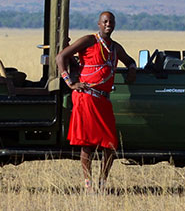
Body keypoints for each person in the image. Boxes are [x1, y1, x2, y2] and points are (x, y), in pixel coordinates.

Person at [55, 11, 137, 193]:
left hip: (103, 100)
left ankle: (102, 182)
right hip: (86, 97)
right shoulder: (89, 40)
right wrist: (70, 82)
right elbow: (60, 57)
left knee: (110, 145)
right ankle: (88, 184)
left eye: (111, 22)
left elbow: (130, 60)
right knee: (88, 144)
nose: (108, 24)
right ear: (99, 24)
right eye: (105, 21)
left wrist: (132, 68)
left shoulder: (115, 47)